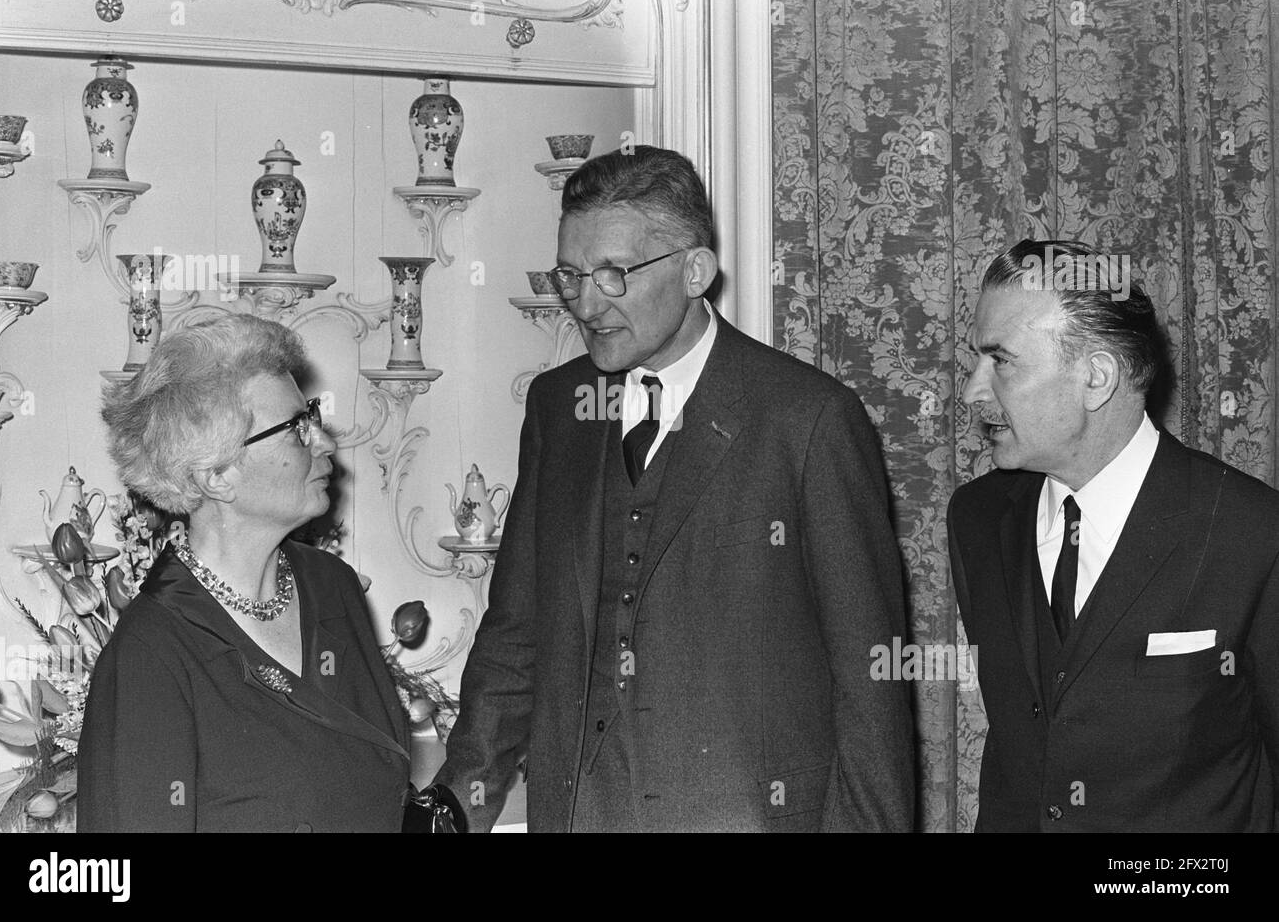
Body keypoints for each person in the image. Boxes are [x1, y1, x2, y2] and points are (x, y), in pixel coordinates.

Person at [431, 145, 914, 832]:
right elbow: (517, 634)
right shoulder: (558, 407)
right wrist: (459, 801)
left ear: (695, 270)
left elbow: (872, 687)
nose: (586, 303)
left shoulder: (808, 420)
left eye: (613, 275)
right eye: (570, 275)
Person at [949, 238, 1279, 832]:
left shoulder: (1253, 535)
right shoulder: (976, 517)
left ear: (1097, 377)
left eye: (1001, 360)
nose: (973, 390)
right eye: (976, 361)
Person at [79, 314, 413, 832]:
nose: (324, 442)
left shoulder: (333, 586)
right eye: (297, 429)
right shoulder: (152, 653)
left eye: (314, 417)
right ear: (216, 474)